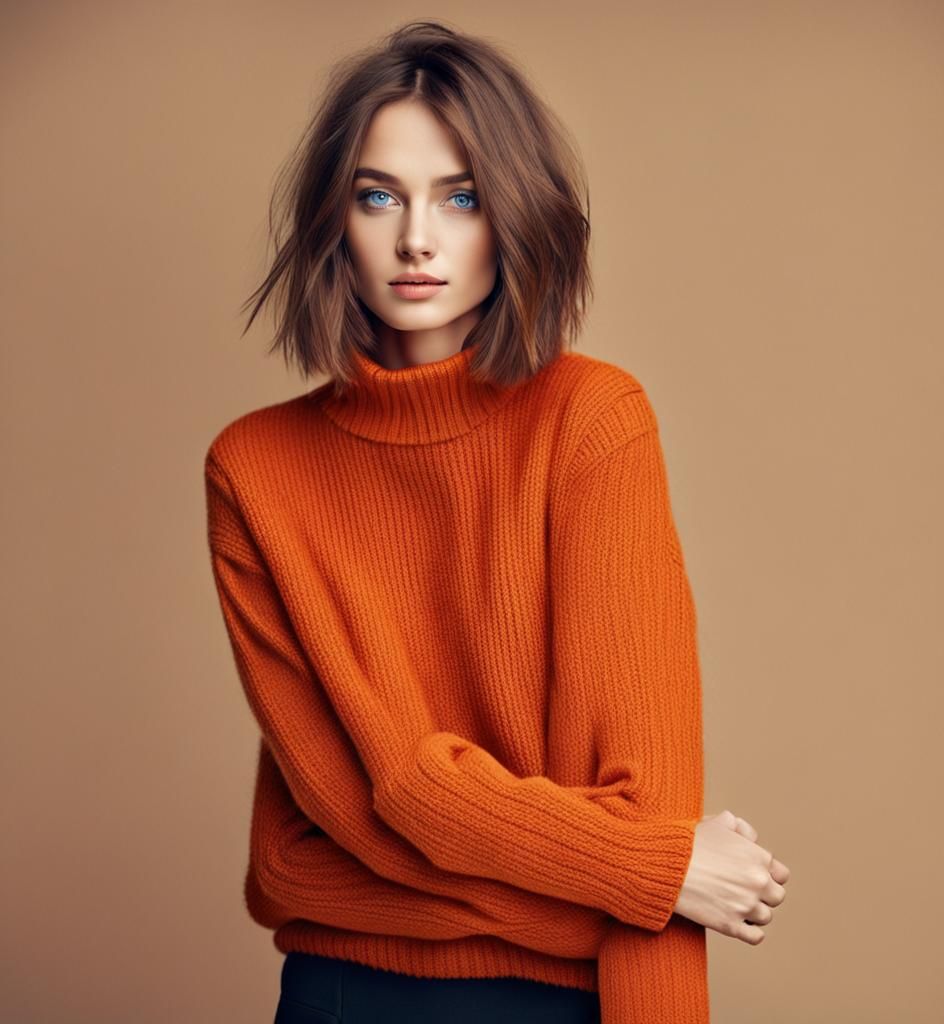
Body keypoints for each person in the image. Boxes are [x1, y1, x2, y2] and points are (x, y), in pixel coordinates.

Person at [204, 19, 789, 1024]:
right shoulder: (254, 469)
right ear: (332, 220)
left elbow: (640, 801)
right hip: (344, 996)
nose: (416, 239)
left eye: (461, 196)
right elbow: (375, 802)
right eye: (377, 195)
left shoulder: (591, 422)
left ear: (514, 212)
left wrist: (634, 874)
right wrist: (634, 874)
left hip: (556, 1006)